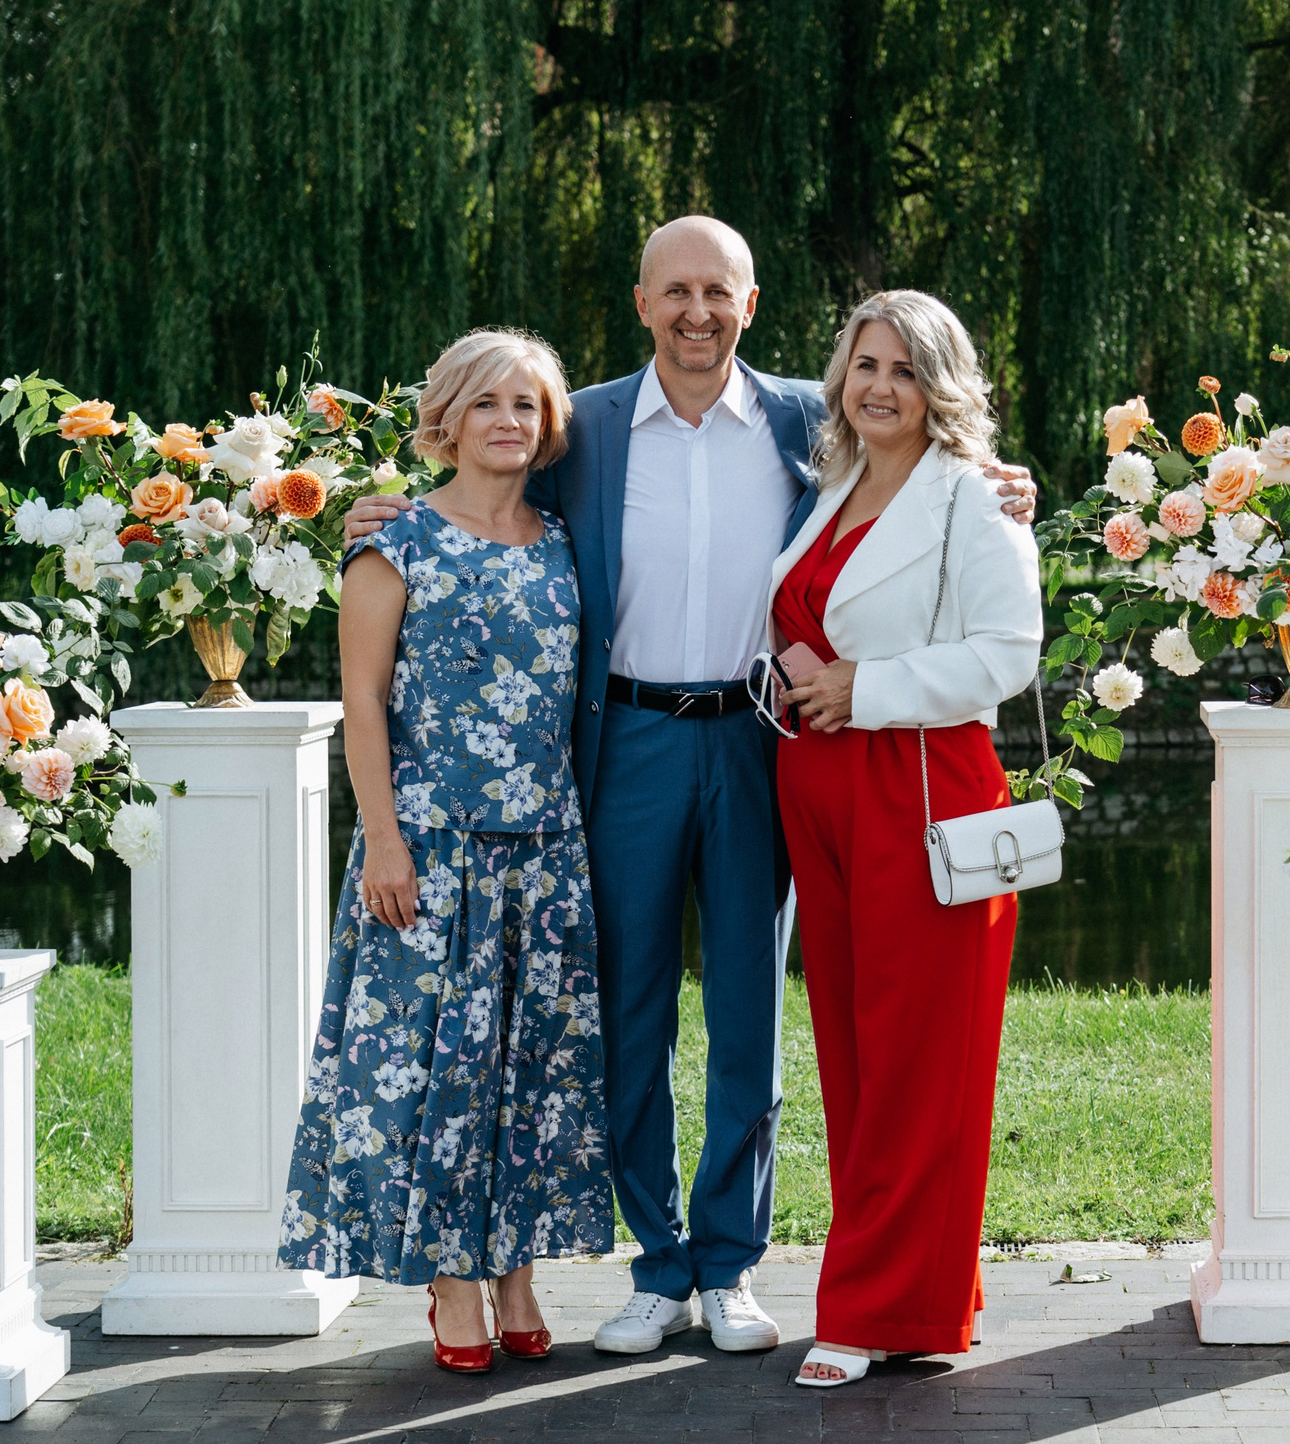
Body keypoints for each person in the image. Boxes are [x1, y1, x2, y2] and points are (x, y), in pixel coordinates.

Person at [343, 217, 1036, 1357]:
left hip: (763, 742)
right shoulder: (588, 428)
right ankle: (654, 1260)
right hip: (625, 741)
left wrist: (1005, 483)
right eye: (676, 291)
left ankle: (729, 1261)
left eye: (717, 290)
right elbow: (485, 486)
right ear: (642, 302)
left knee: (750, 1016)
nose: (696, 310)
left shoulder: (810, 421)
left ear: (749, 305)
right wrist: (384, 516)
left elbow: (926, 463)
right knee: (627, 1009)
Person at [281, 329, 613, 1374]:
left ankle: (514, 1263)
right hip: (431, 847)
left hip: (543, 849)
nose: (508, 420)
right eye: (485, 403)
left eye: (526, 403)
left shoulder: (566, 541)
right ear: (448, 419)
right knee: (441, 1068)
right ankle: (454, 1277)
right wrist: (384, 841)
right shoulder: (396, 543)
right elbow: (362, 703)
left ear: (549, 422)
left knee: (527, 1067)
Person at [766, 291, 1043, 1388]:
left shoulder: (973, 498)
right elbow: (806, 614)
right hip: (821, 786)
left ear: (943, 387)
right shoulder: (831, 484)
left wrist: (862, 687)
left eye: (907, 370)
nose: (880, 385)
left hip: (922, 785)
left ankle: (866, 1310)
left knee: (920, 1057)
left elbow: (1007, 650)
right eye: (865, 363)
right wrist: (802, 677)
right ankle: (923, 1295)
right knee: (854, 1048)